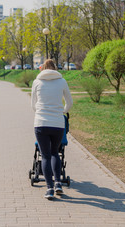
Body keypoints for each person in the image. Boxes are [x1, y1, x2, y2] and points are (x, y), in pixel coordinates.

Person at [31, 59, 73, 200]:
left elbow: (33, 105)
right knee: (55, 153)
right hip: (57, 123)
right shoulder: (62, 81)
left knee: (45, 155)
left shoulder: (37, 82)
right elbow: (69, 103)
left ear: (42, 68)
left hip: (41, 123)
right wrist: (61, 111)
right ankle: (58, 184)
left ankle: (49, 189)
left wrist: (42, 112)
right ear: (55, 68)